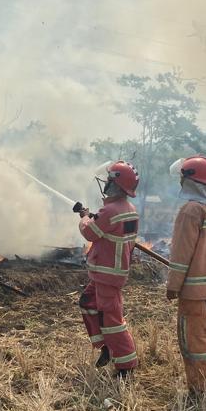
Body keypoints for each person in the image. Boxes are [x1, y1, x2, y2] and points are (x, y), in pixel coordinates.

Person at [166, 155, 206, 399]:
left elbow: (182, 253)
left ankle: (201, 391)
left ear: (191, 182)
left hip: (193, 290)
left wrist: (173, 285)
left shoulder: (190, 211)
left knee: (194, 342)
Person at [77, 161, 141, 380]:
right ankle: (105, 347)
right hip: (106, 273)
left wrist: (85, 217)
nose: (105, 183)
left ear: (115, 183)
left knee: (112, 321)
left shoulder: (111, 210)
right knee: (87, 302)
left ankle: (126, 366)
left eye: (109, 180)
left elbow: (89, 233)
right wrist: (94, 217)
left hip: (107, 274)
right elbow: (106, 227)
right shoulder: (127, 209)